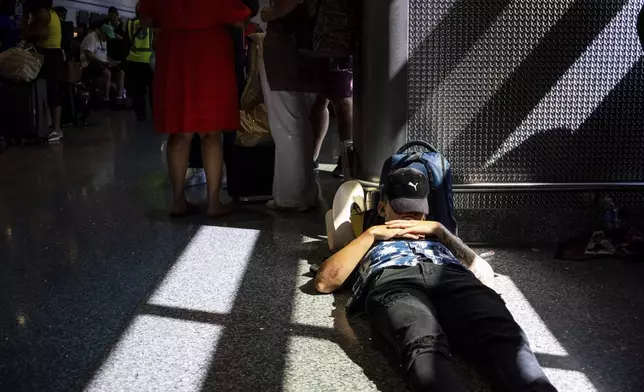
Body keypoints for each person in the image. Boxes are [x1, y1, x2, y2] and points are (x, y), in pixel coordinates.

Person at [314, 167, 558, 392]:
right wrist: (371, 234)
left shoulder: (436, 234)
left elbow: (483, 274)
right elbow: (325, 282)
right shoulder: (368, 238)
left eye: (417, 210)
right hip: (394, 280)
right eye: (401, 208)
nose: (410, 216)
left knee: (505, 335)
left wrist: (441, 232)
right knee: (423, 343)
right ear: (382, 208)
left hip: (454, 278)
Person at [139, 0, 251, 217]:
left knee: (180, 132)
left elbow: (146, 17)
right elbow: (239, 18)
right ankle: (213, 202)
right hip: (211, 53)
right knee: (211, 133)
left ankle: (178, 200)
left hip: (174, 53)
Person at [260, 1, 321, 211]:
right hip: (312, 47)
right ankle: (304, 191)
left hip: (286, 50)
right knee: (302, 125)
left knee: (288, 127)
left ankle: (291, 197)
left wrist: (269, 14)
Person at [21, 0, 64, 142]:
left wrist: (24, 17)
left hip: (46, 54)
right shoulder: (51, 13)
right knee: (52, 90)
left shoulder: (42, 14)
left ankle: (54, 128)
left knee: (49, 91)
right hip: (54, 54)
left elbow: (31, 35)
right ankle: (52, 126)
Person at [311, 66, 353, 177]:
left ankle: (347, 161)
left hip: (340, 57)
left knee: (343, 100)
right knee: (318, 99)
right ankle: (312, 157)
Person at [81, 21, 125, 105]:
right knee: (107, 73)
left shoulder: (103, 40)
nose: (107, 39)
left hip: (101, 63)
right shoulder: (91, 37)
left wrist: (113, 62)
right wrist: (102, 62)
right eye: (107, 36)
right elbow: (88, 54)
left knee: (121, 72)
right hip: (89, 63)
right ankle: (106, 98)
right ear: (100, 32)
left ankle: (118, 98)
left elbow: (104, 56)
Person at [123, 1, 154, 121]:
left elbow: (126, 41)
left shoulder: (129, 23)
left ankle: (140, 115)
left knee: (138, 91)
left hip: (133, 60)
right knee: (152, 89)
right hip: (148, 61)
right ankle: (155, 113)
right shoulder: (152, 23)